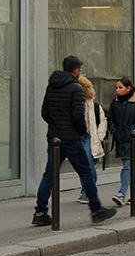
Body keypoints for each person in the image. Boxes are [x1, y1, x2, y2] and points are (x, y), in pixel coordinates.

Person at [32, 56, 115, 226]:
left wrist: (56, 126)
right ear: (76, 70)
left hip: (54, 139)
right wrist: (80, 131)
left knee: (49, 175)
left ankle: (40, 212)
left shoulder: (51, 86)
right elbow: (78, 115)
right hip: (71, 138)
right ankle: (96, 209)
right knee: (86, 173)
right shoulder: (76, 88)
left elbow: (44, 112)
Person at [106, 76, 135, 205]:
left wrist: (132, 130)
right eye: (116, 88)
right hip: (121, 139)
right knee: (130, 168)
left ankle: (121, 193)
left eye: (120, 88)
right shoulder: (115, 102)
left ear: (129, 88)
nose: (117, 90)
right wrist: (114, 130)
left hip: (134, 140)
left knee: (127, 166)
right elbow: (110, 118)